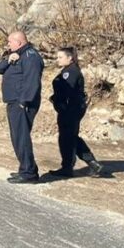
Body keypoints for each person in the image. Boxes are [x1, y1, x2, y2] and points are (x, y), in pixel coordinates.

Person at [0, 31, 43, 184]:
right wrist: (8, 60)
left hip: (22, 104)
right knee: (17, 137)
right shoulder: (14, 55)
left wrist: (24, 102)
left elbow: (32, 81)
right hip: (13, 102)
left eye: (10, 42)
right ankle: (27, 169)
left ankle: (28, 173)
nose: (8, 45)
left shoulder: (30, 56)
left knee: (21, 138)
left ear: (19, 42)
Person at [48, 48, 105, 178]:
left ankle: (74, 166)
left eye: (61, 57)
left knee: (68, 137)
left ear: (70, 58)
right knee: (69, 137)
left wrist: (59, 101)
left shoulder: (71, 72)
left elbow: (68, 90)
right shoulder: (67, 71)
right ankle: (86, 164)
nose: (58, 59)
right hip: (69, 108)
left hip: (71, 109)